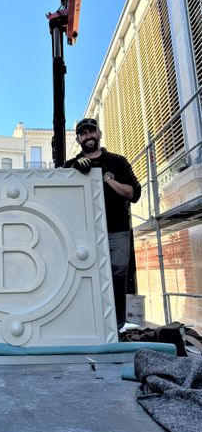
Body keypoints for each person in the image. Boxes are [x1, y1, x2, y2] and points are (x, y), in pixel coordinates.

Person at [64, 118, 141, 330]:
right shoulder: (71, 166)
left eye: (91, 131)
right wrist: (72, 174)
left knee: (116, 278)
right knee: (82, 278)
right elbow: (60, 199)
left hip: (116, 231)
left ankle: (115, 327)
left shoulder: (118, 161)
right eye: (83, 133)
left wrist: (105, 178)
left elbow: (134, 193)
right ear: (78, 138)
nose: (88, 135)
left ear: (99, 134)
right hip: (83, 234)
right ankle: (88, 328)